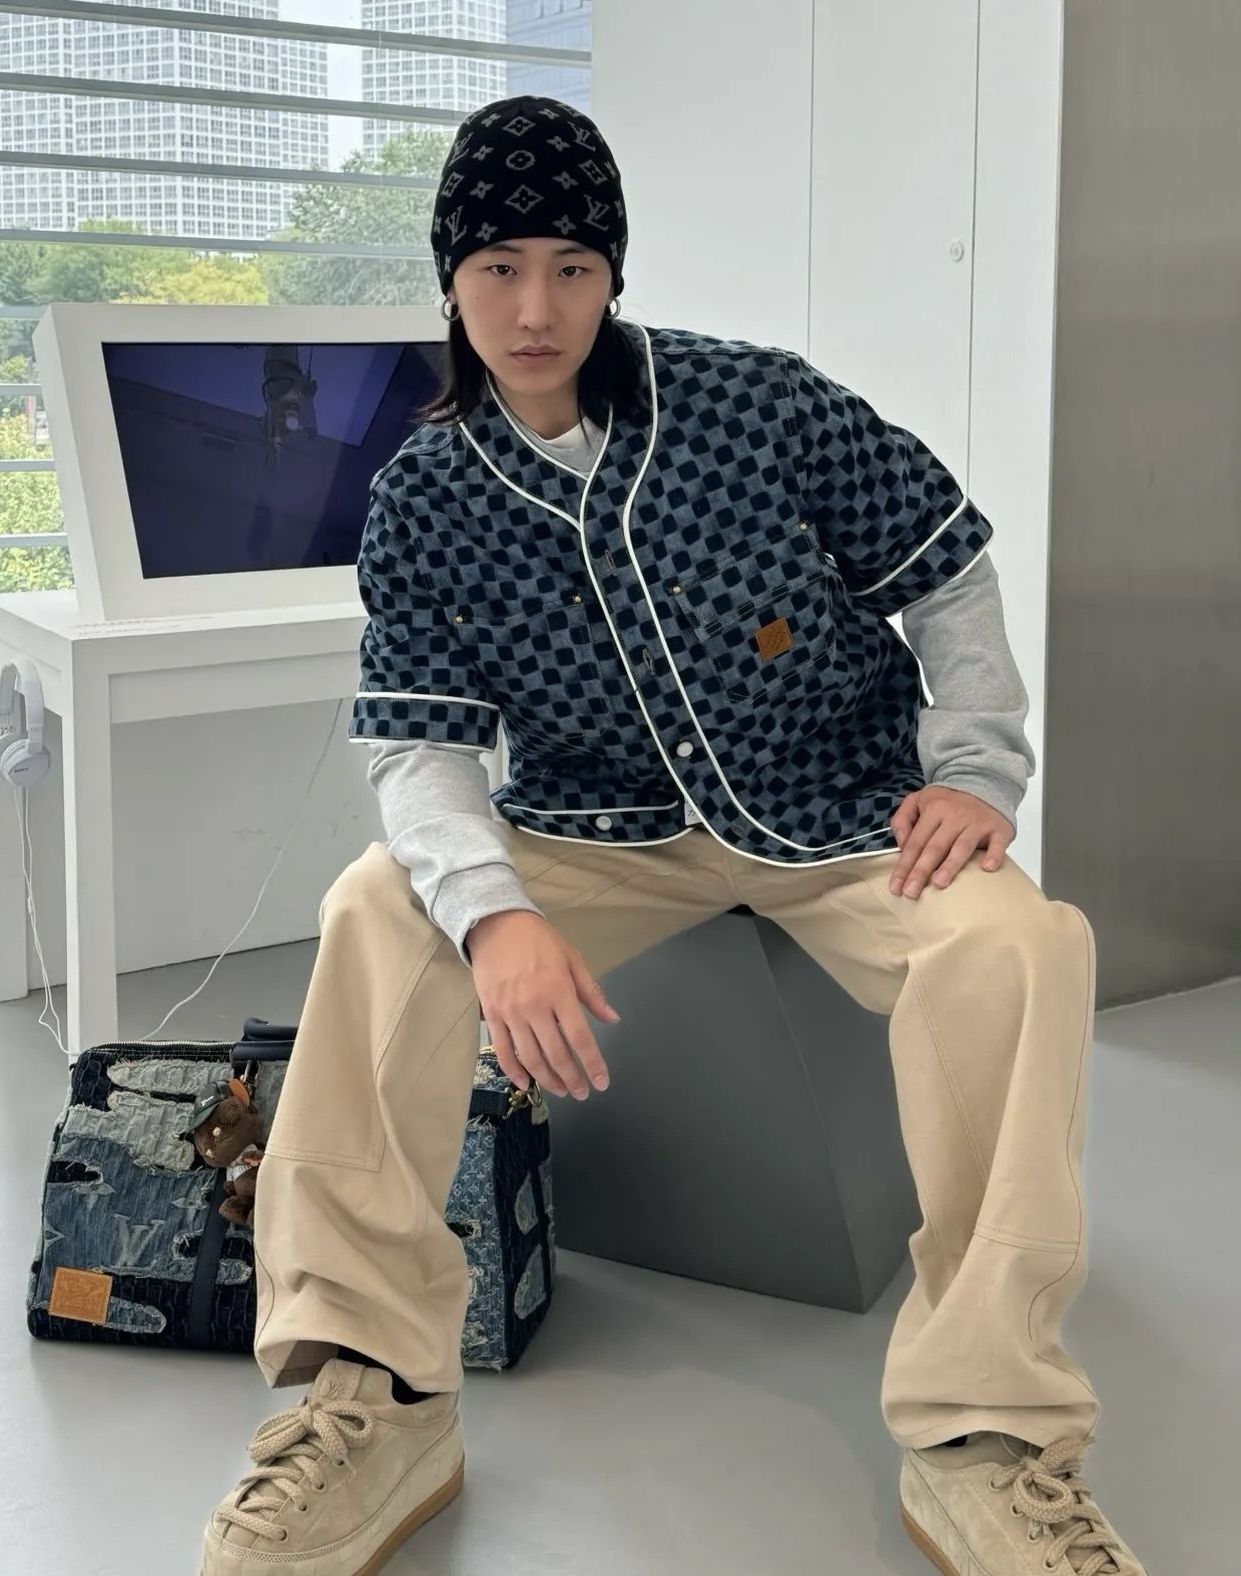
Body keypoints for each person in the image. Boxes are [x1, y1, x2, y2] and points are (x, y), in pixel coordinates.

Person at [199, 97, 1147, 1576]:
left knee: (1022, 948)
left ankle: (986, 1431)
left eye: (572, 268)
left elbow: (946, 563)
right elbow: (421, 746)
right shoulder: (424, 499)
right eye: (500, 267)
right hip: (596, 828)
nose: (535, 310)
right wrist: (497, 916)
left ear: (613, 276)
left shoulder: (758, 405)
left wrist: (977, 769)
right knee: (376, 913)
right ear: (450, 277)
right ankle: (375, 1392)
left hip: (842, 814)